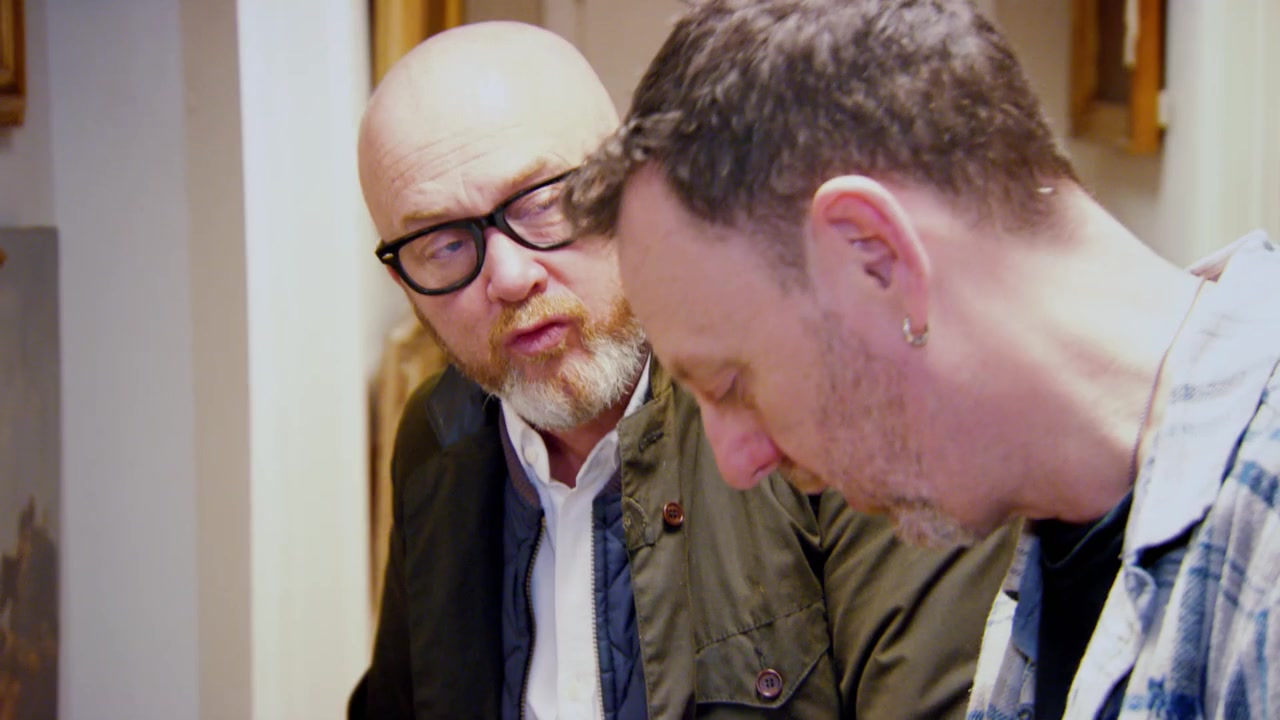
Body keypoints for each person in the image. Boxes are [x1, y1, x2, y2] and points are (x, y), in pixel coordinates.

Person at [565, 0, 1280, 718]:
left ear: (874, 255)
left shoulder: (1262, 545)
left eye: (732, 384)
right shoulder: (1047, 557)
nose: (736, 463)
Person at [349, 19, 1016, 720]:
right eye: (444, 245)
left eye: (544, 202)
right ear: (404, 282)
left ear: (625, 183)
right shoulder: (439, 437)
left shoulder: (829, 398)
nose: (511, 276)